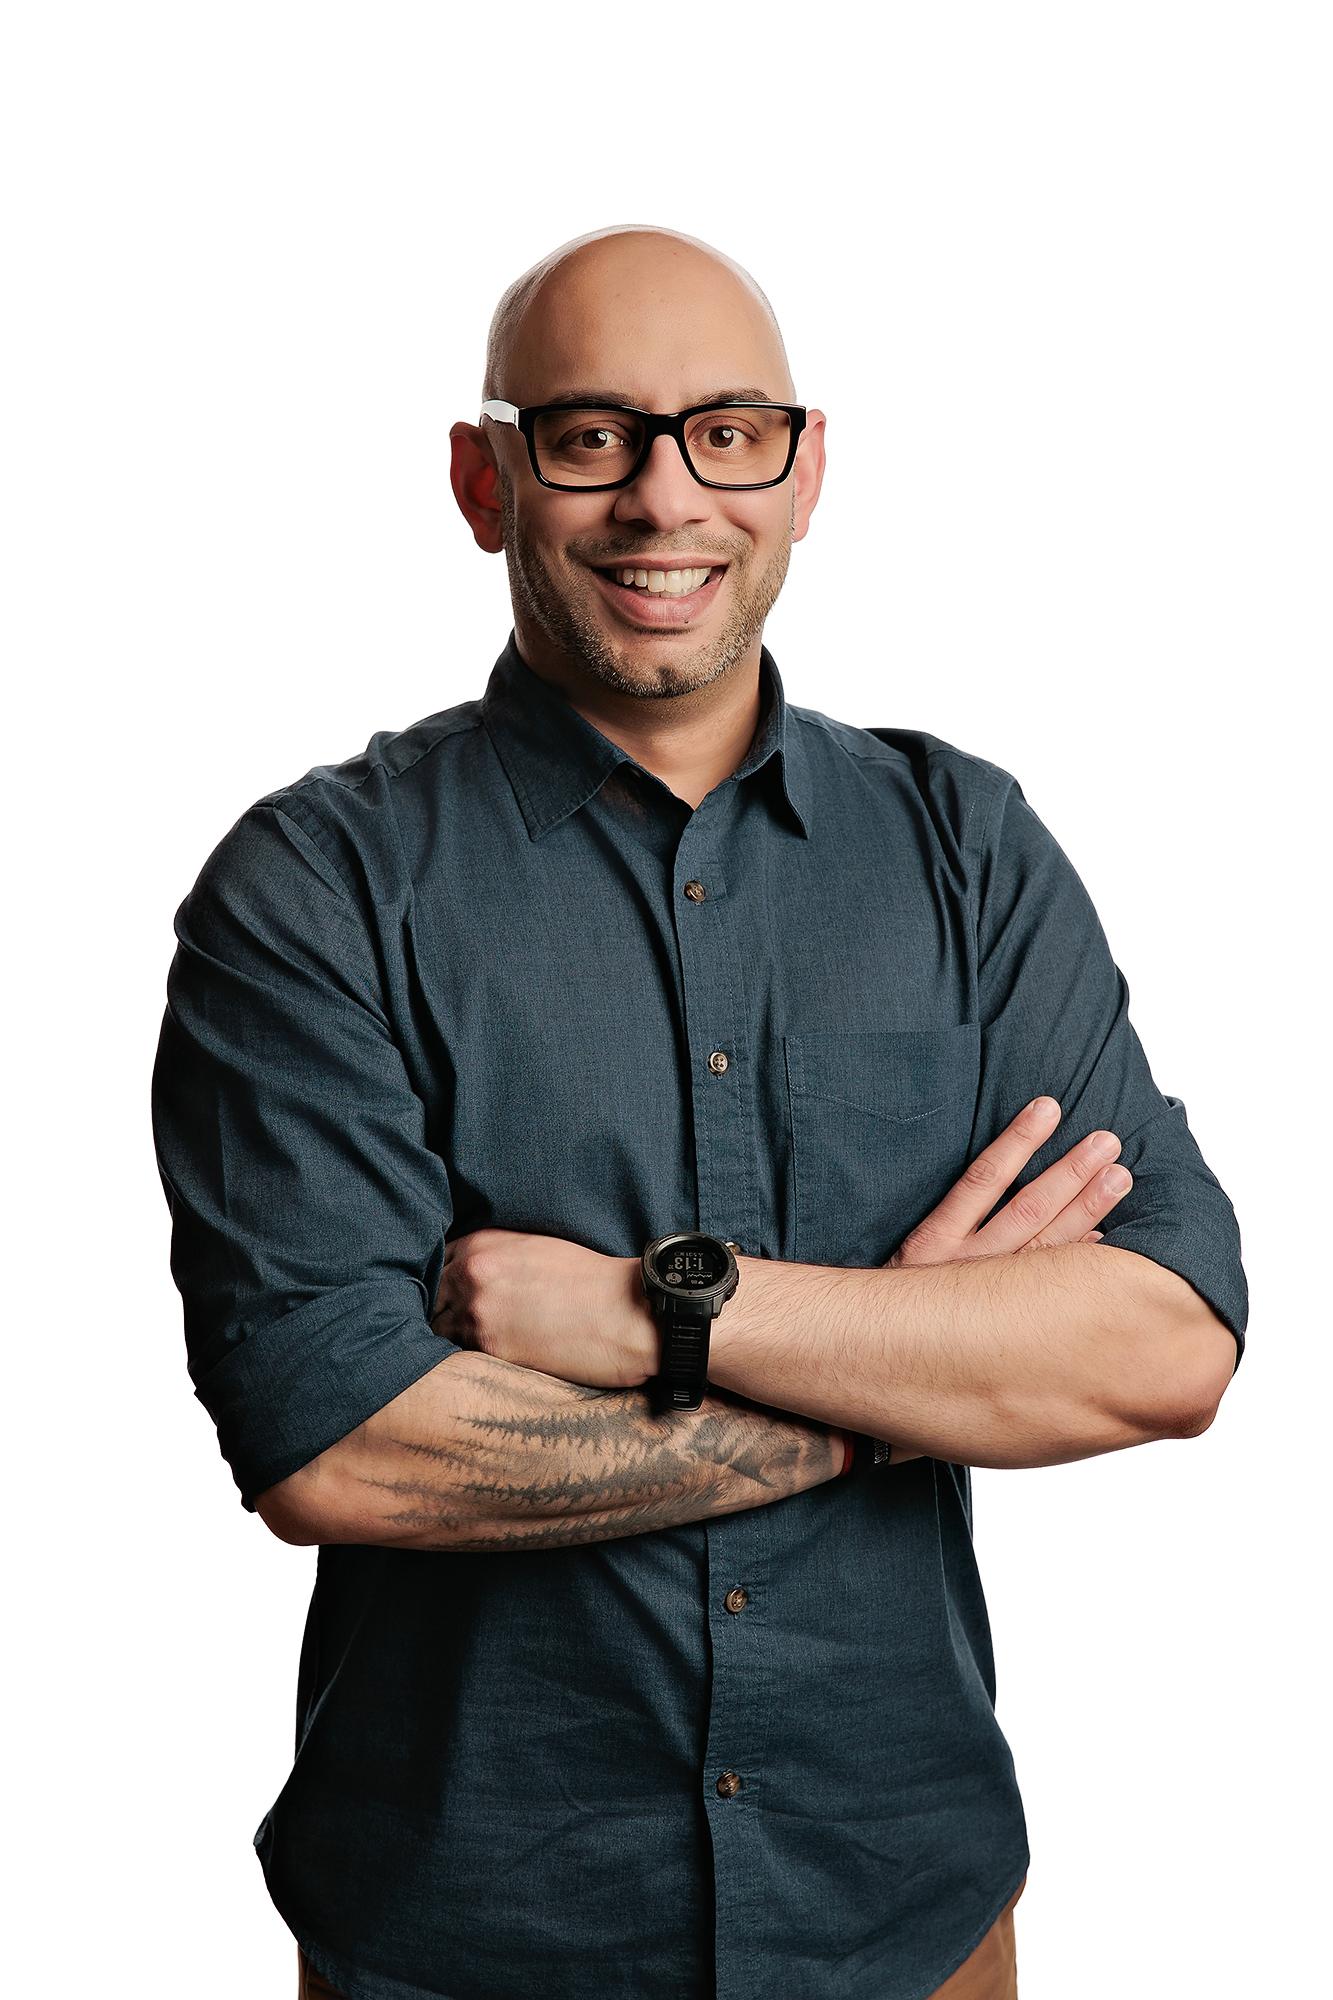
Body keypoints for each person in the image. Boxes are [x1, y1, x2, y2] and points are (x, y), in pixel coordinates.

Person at [150, 223, 1248, 2000]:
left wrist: (655, 1312)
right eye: (590, 436)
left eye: (726, 433)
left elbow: (1166, 1343)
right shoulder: (318, 887)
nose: (665, 500)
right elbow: (336, 1445)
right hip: (472, 1937)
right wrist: (903, 1388)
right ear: (482, 477)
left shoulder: (966, 851)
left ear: (805, 473)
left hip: (908, 1917)